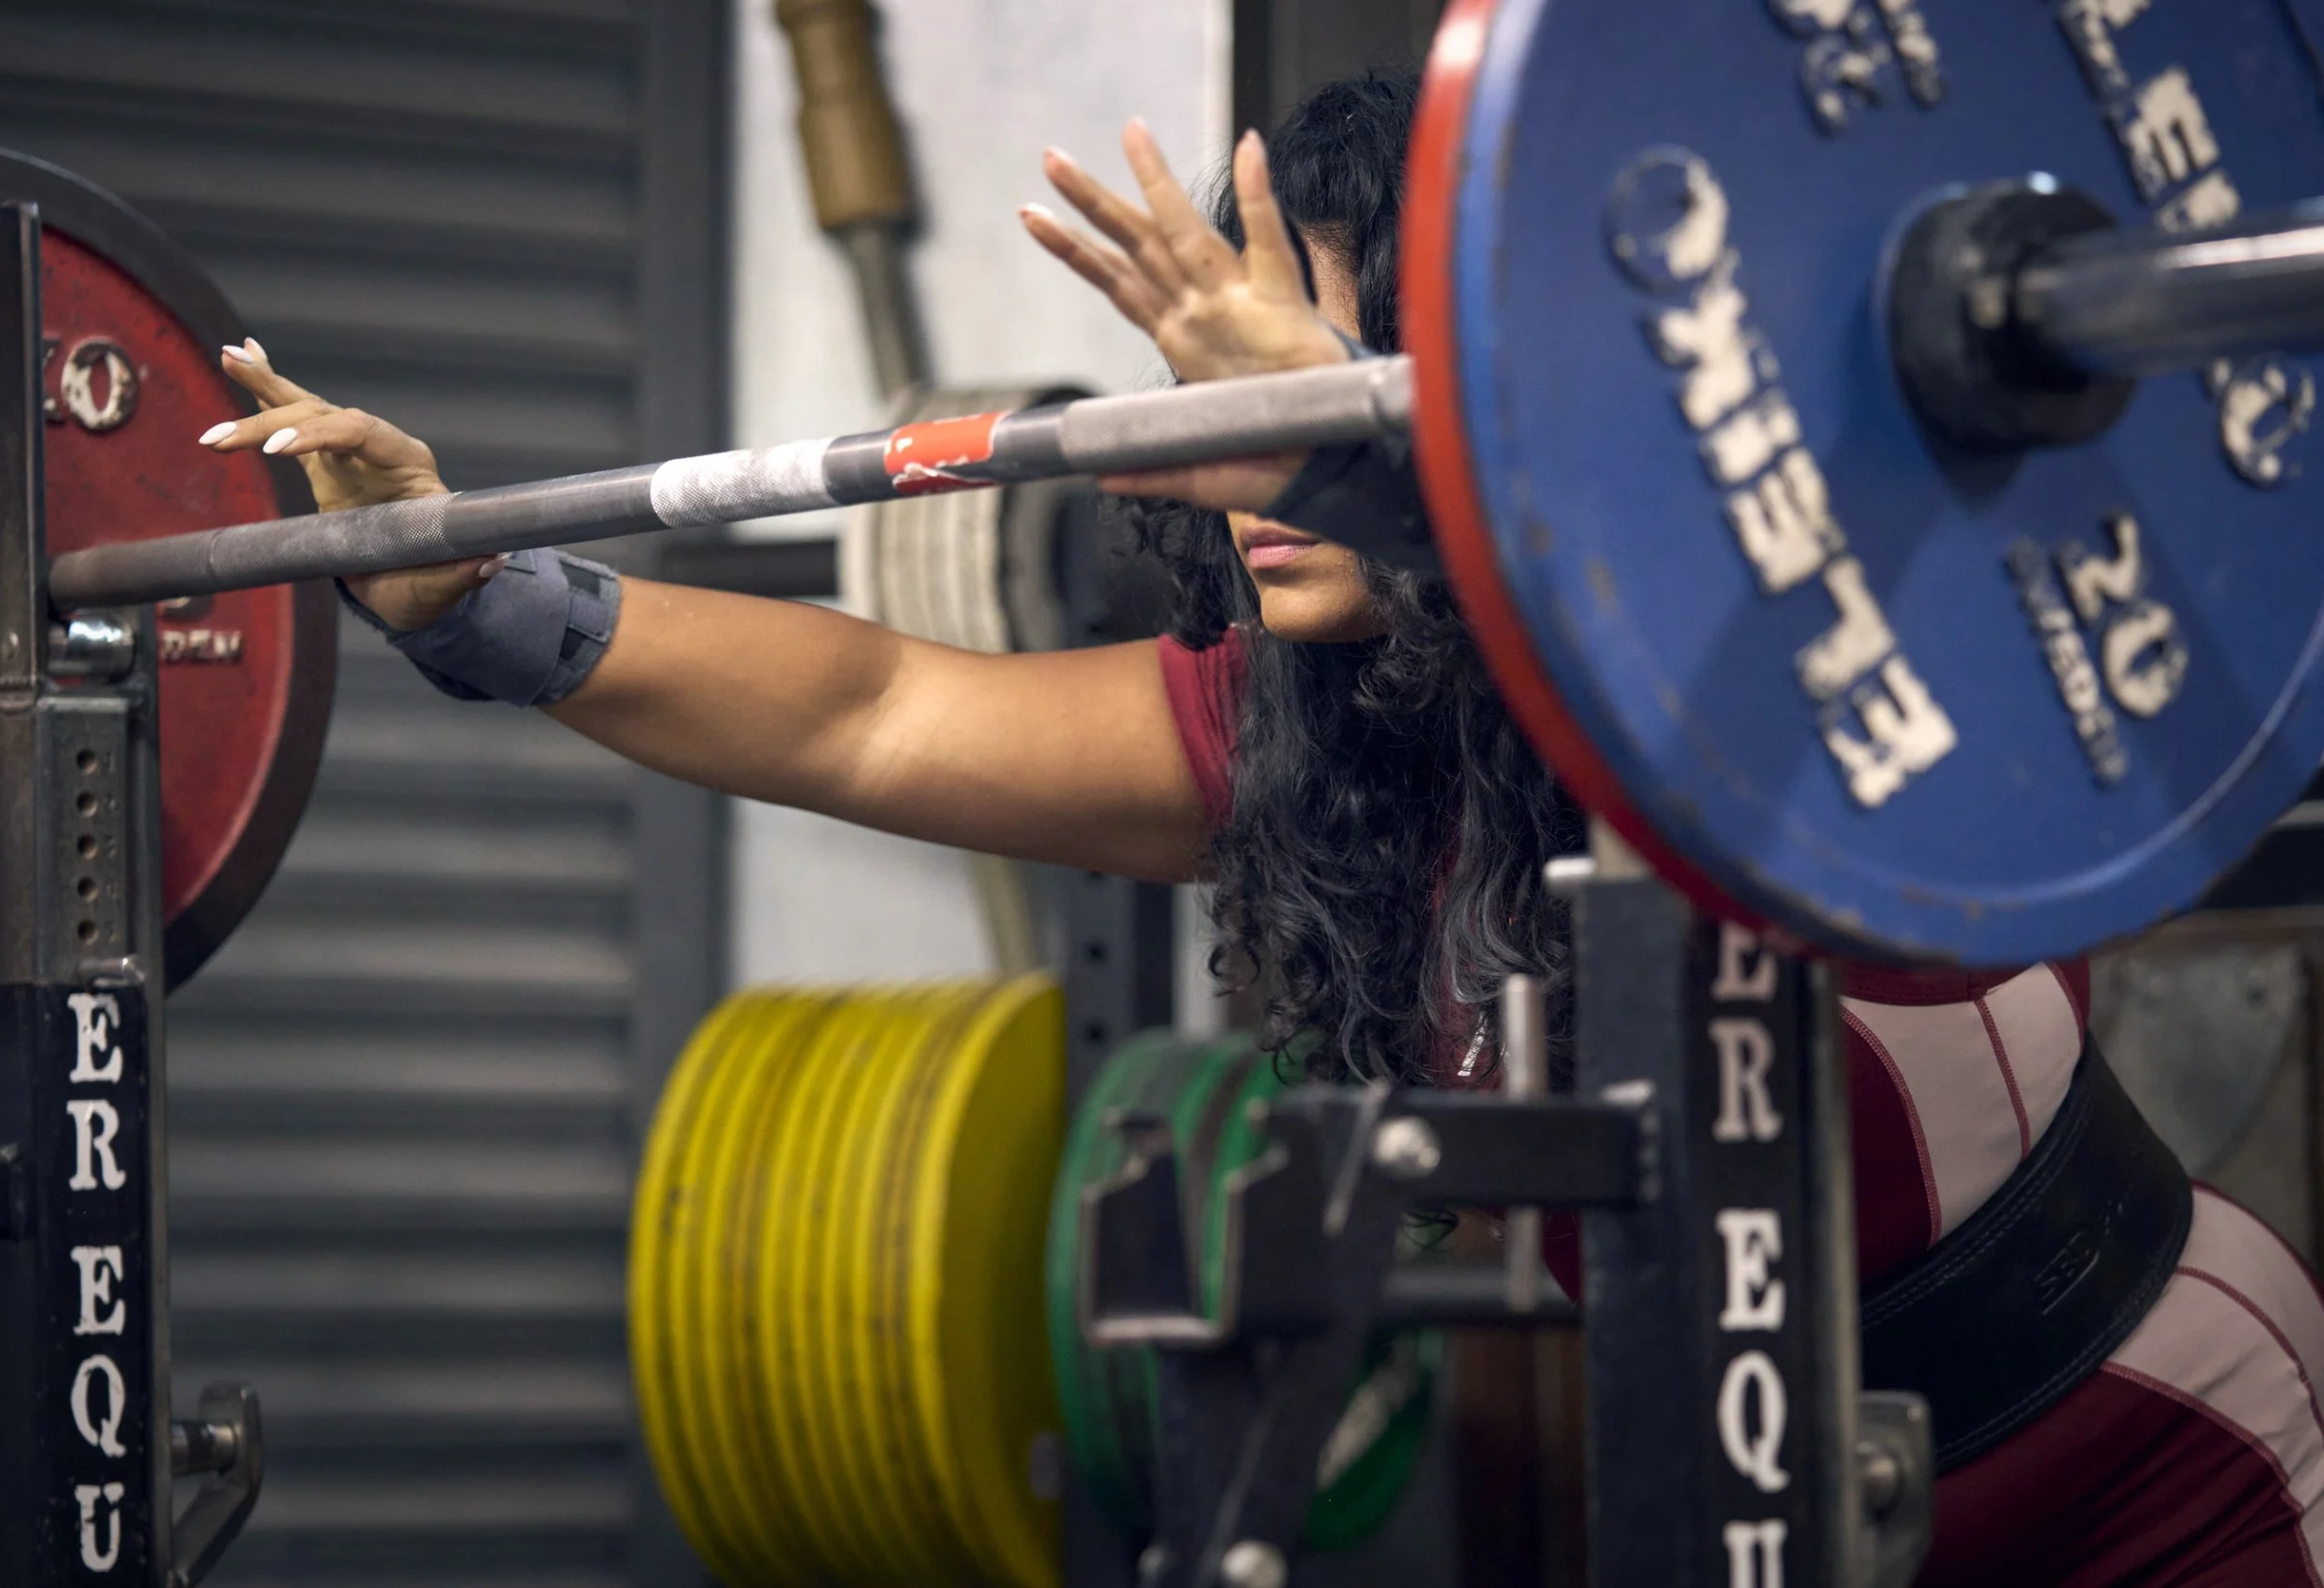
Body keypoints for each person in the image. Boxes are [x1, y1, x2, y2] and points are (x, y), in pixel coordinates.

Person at [198, 69, 2324, 1587]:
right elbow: (870, 709)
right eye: (1218, 383)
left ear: (1496, 384)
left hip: (2162, 1458)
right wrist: (476, 596)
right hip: (1779, 1510)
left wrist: (1351, 462)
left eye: (1321, 361)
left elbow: (1612, 666)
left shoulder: (1741, 671)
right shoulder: (1289, 746)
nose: (1246, 445)